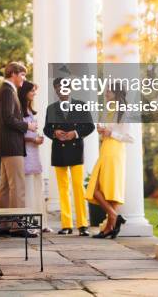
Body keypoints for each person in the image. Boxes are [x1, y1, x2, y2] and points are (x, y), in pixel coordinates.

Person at [43, 77, 95, 236]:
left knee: (78, 187)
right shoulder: (51, 108)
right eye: (57, 88)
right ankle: (66, 225)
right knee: (63, 189)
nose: (60, 91)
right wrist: (54, 133)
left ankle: (82, 225)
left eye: (63, 88)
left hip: (75, 150)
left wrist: (75, 133)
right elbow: (46, 129)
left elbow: (90, 126)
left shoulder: (81, 105)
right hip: (59, 150)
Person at [85, 83, 135, 239]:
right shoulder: (109, 110)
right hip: (106, 149)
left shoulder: (124, 112)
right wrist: (103, 132)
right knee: (98, 188)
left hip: (115, 152)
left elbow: (130, 138)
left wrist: (111, 133)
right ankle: (112, 221)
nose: (106, 92)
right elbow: (109, 132)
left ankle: (111, 221)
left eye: (109, 90)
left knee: (103, 189)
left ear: (117, 93)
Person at [0, 61, 37, 238]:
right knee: (17, 186)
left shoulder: (7, 91)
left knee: (4, 186)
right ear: (13, 73)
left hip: (7, 145)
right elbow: (8, 119)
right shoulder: (7, 91)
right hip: (12, 145)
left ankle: (2, 224)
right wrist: (28, 126)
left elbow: (7, 119)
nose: (24, 78)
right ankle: (17, 226)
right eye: (23, 75)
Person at [18, 80, 53, 233]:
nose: (34, 93)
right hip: (25, 152)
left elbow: (31, 131)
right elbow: (18, 134)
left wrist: (37, 138)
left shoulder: (30, 110)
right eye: (32, 90)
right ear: (24, 92)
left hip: (34, 152)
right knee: (29, 187)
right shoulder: (18, 110)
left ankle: (41, 222)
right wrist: (32, 139)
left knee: (37, 186)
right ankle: (30, 223)